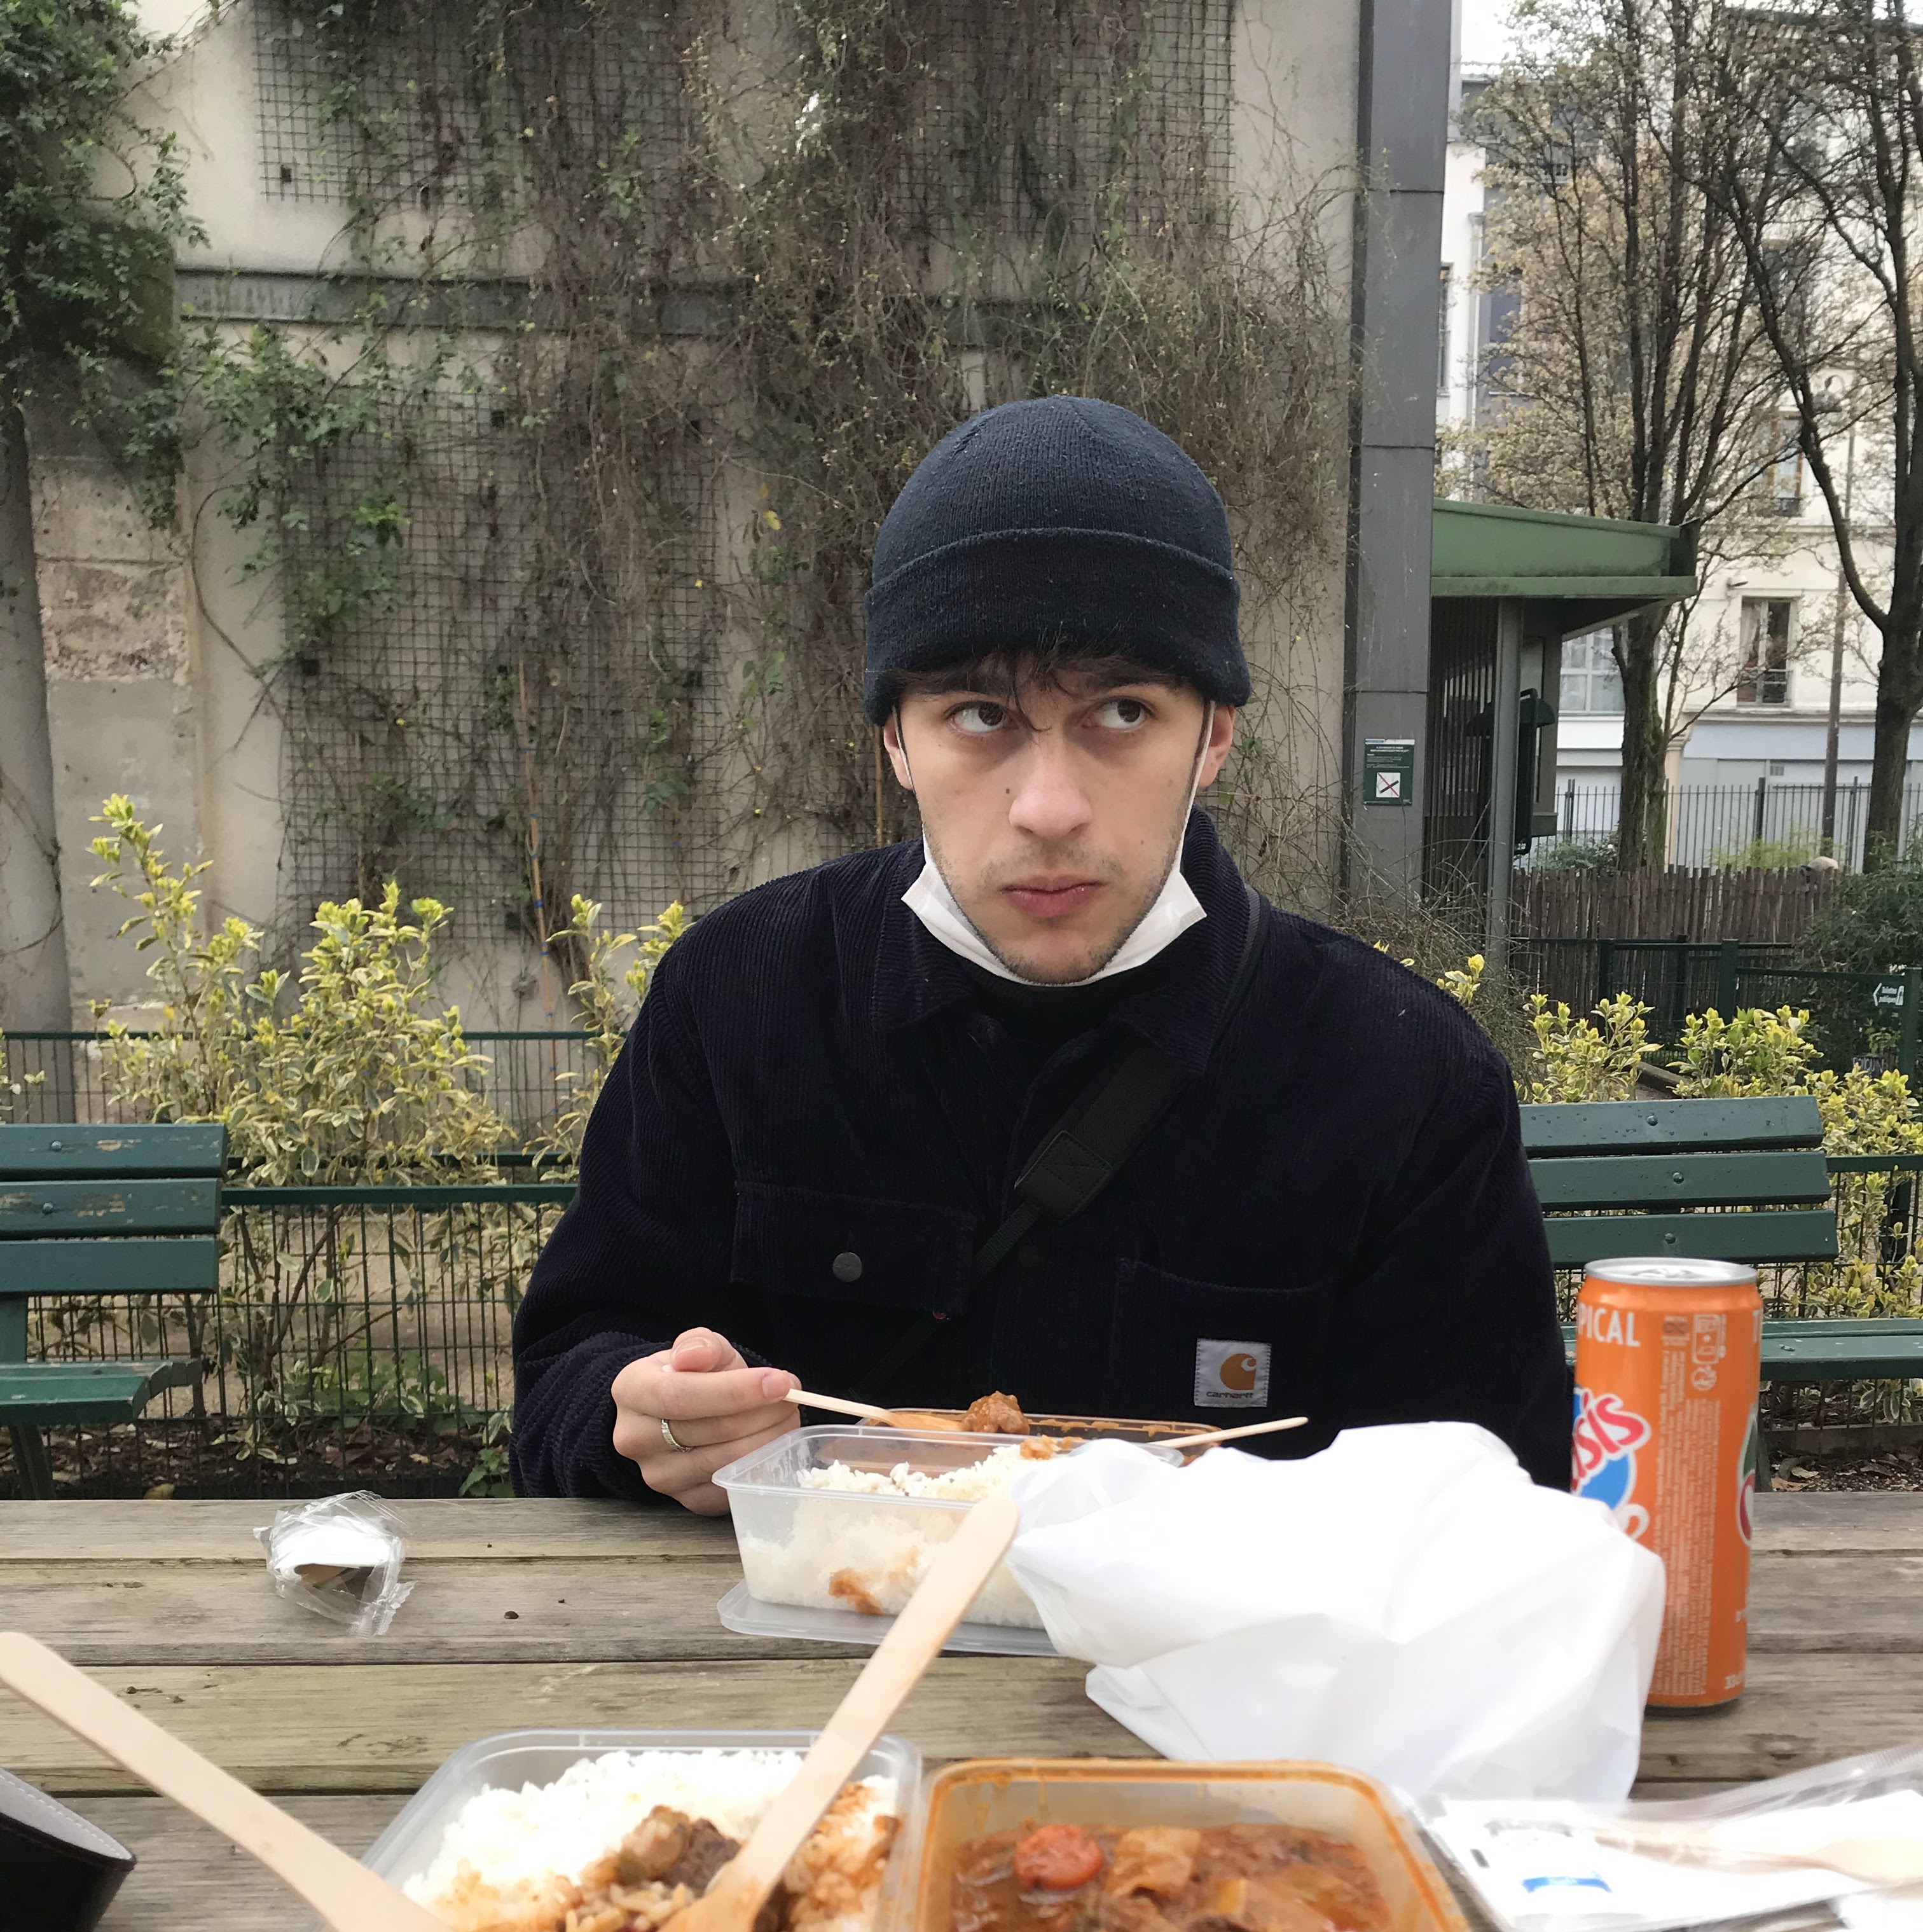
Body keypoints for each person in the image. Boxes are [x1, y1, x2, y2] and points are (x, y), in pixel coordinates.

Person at [511, 395, 1568, 1509]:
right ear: (895, 738)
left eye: (1123, 712)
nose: (1049, 808)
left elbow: (1497, 1510)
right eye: (980, 715)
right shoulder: (740, 997)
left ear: (1213, 735)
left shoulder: (1406, 1080)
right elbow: (568, 1377)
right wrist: (637, 1414)